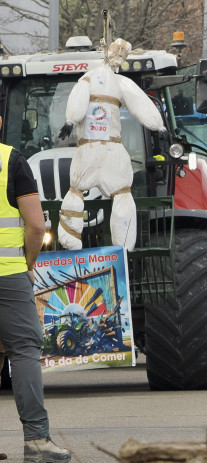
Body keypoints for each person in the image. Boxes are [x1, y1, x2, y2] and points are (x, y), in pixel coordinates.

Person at [0, 116, 72, 462]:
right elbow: (36, 224)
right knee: (24, 349)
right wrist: (27, 263)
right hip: (7, 272)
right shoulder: (10, 160)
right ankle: (37, 441)